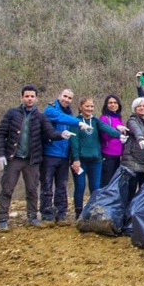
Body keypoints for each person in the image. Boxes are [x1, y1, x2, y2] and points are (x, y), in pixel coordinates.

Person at [0, 85, 73, 231]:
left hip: (32, 159)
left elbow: (50, 132)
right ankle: (2, 219)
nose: (29, 99)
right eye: (27, 96)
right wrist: (0, 154)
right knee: (7, 189)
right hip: (14, 158)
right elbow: (1, 134)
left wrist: (60, 135)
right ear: (22, 97)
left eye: (32, 96)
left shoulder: (41, 117)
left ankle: (32, 217)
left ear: (36, 99)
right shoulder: (12, 114)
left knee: (32, 189)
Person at [71, 97, 124, 217]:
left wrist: (119, 135)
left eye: (91, 106)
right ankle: (78, 212)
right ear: (80, 107)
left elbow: (107, 128)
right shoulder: (75, 122)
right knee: (80, 186)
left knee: (95, 187)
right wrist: (76, 159)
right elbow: (74, 141)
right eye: (87, 106)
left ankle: (93, 211)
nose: (90, 109)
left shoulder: (95, 121)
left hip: (96, 160)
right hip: (81, 160)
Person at [40, 89, 84, 225]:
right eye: (65, 96)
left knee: (62, 186)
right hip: (49, 153)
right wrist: (78, 122)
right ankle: (47, 215)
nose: (67, 99)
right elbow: (60, 118)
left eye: (70, 98)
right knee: (47, 185)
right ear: (59, 96)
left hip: (64, 155)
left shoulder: (69, 112)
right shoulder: (51, 109)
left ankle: (61, 214)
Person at [121, 97, 144, 200]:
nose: (142, 108)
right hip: (133, 160)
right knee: (130, 190)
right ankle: (127, 213)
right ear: (135, 108)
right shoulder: (132, 120)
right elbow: (136, 130)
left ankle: (139, 214)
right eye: (139, 106)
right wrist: (140, 139)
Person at [99, 94, 126, 185]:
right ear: (106, 105)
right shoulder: (104, 118)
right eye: (110, 103)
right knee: (106, 181)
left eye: (115, 102)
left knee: (114, 182)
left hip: (117, 155)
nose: (113, 105)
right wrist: (116, 130)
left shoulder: (118, 118)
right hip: (107, 154)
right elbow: (104, 135)